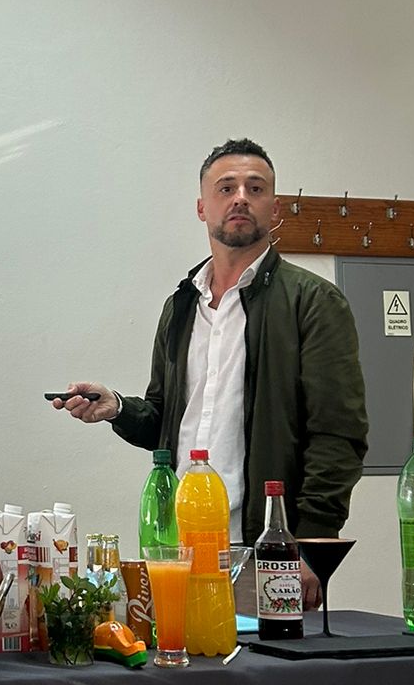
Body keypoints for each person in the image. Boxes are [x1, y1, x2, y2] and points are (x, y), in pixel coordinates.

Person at [55, 138, 367, 583]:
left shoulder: (313, 302)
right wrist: (118, 408)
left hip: (267, 551)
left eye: (255, 188)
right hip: (177, 547)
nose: (240, 198)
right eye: (226, 188)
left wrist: (313, 543)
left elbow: (338, 434)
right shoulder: (181, 306)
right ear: (202, 208)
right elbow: (166, 422)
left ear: (275, 208)